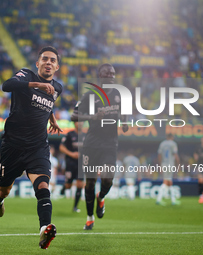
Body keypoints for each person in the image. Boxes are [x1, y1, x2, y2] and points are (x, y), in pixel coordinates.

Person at [0, 46, 63, 249]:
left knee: (42, 186)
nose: (48, 62)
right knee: (4, 190)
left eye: (52, 60)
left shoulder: (58, 88)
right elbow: (7, 85)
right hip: (12, 146)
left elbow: (49, 102)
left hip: (37, 146)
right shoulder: (26, 74)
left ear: (57, 66)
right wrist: (37, 85)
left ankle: (44, 230)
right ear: (37, 63)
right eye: (45, 59)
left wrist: (52, 117)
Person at [71, 63, 129, 230]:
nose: (111, 75)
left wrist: (124, 122)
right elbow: (74, 116)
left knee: (108, 178)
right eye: (107, 73)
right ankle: (90, 218)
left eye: (113, 73)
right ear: (100, 76)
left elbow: (123, 111)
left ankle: (101, 196)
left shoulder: (119, 94)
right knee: (89, 183)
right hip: (92, 144)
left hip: (110, 143)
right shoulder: (90, 95)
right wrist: (93, 116)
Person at [59, 121, 85, 212]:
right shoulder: (69, 135)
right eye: (78, 121)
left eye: (81, 122)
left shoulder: (85, 136)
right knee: (68, 185)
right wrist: (71, 154)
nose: (80, 123)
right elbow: (61, 147)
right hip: (70, 163)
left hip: (81, 164)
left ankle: (75, 207)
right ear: (75, 123)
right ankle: (64, 187)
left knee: (79, 184)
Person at [156, 134, 180, 206]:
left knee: (169, 182)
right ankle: (159, 199)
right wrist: (178, 164)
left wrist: (160, 165)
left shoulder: (162, 144)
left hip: (164, 164)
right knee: (166, 182)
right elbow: (175, 155)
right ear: (172, 137)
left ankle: (173, 200)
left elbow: (159, 155)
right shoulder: (173, 144)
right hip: (170, 164)